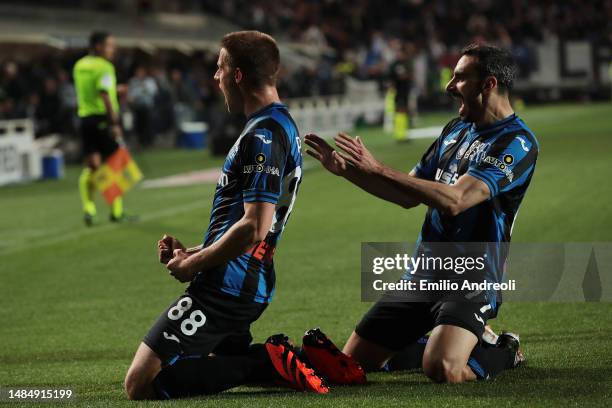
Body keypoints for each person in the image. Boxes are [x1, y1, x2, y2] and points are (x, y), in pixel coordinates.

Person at [305, 44, 538, 382]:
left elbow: (456, 199)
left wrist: (380, 168)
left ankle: (501, 348)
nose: (449, 86)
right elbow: (407, 195)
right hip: (424, 273)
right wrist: (347, 171)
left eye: (459, 78)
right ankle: (443, 336)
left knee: (443, 368)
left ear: (488, 84)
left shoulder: (517, 143)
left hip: (471, 278)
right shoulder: (454, 131)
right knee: (354, 363)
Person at [123, 31, 327, 400]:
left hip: (227, 287)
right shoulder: (278, 124)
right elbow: (246, 222)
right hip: (244, 278)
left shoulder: (262, 135)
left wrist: (195, 264)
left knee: (141, 383)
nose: (214, 77)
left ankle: (268, 361)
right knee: (214, 361)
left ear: (237, 76)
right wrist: (194, 253)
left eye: (220, 68)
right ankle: (297, 360)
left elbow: (255, 227)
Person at [73, 31, 128, 225]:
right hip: (103, 119)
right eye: (109, 46)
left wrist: (115, 89)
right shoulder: (105, 67)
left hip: (85, 119)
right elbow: (104, 94)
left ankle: (89, 208)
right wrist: (114, 123)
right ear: (98, 46)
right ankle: (117, 212)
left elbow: (91, 90)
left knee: (92, 166)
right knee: (114, 165)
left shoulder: (79, 65)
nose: (112, 50)